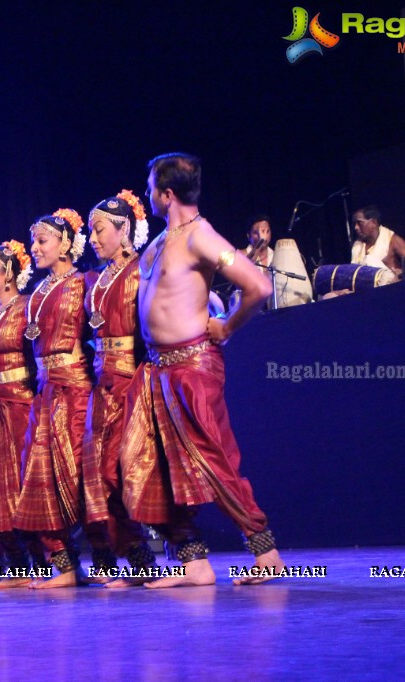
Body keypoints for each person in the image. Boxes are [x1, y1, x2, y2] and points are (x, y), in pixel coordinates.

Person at [121, 152, 284, 587]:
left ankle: (264, 550)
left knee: (213, 458)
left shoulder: (200, 236)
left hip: (192, 365)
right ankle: (193, 563)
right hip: (156, 371)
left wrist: (227, 326)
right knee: (153, 464)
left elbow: (260, 285)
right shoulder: (157, 244)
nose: (146, 193)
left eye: (150, 185)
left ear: (167, 193)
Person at [82, 190, 159, 587]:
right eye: (91, 231)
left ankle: (160, 553)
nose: (92, 239)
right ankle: (136, 558)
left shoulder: (143, 268)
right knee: (101, 475)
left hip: (132, 382)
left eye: (98, 230)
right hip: (102, 385)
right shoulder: (96, 280)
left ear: (124, 228)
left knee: (124, 470)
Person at [14, 208, 92, 588]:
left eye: (42, 240)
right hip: (44, 391)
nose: (35, 247)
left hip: (75, 389)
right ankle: (63, 566)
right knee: (40, 476)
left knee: (79, 473)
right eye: (34, 241)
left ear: (65, 244)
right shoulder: (37, 294)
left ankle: (117, 559)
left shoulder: (83, 283)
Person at [0, 241, 38, 588]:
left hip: (24, 406)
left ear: (9, 273)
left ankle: (51, 561)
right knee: (2, 487)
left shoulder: (28, 308)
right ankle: (18, 565)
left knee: (25, 482)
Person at [350, 205, 405, 279]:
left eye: (360, 223)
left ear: (373, 222)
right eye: (355, 224)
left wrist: (401, 273)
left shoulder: (393, 240)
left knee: (369, 260)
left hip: (391, 287)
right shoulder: (357, 245)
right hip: (365, 288)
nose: (356, 227)